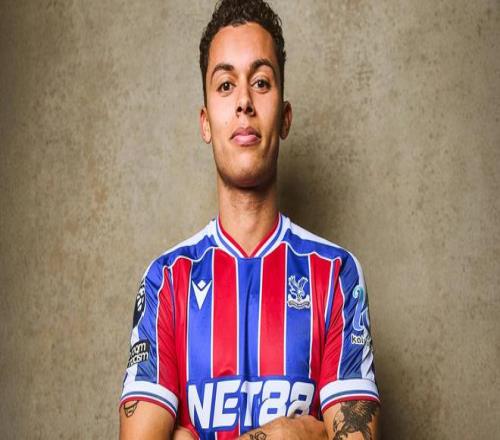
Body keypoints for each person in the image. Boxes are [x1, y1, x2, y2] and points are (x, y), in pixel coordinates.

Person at [119, 0, 380, 438]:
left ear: (285, 118)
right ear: (206, 123)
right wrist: (295, 434)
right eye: (225, 85)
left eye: (260, 82)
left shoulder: (336, 275)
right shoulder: (165, 282)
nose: (243, 102)